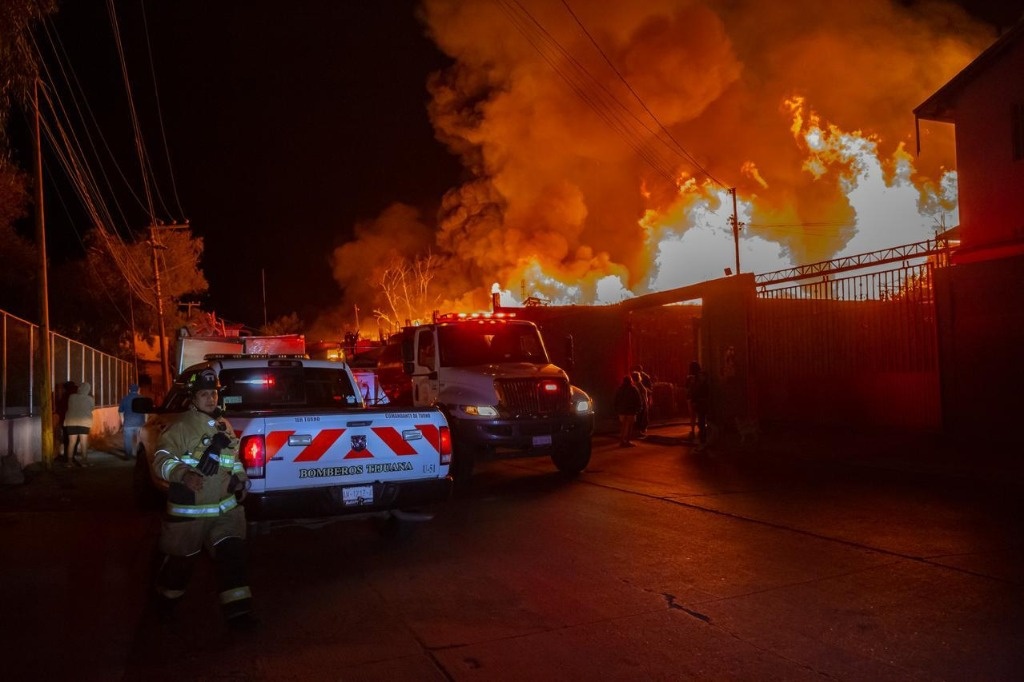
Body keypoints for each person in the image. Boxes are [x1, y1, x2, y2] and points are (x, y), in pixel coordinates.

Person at [151, 367, 256, 629]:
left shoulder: (224, 426)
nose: (211, 399)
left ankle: (239, 616)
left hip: (225, 512)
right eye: (204, 394)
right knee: (180, 568)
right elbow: (160, 459)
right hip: (191, 515)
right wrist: (182, 474)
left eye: (214, 394)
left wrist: (240, 480)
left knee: (232, 558)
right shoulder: (181, 427)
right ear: (193, 398)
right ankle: (162, 607)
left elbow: (234, 461)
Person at [64, 382, 94, 467]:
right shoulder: (90, 399)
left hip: (71, 422)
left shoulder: (71, 397)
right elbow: (92, 408)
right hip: (84, 422)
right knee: (83, 442)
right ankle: (84, 461)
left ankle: (69, 462)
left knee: (72, 442)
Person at [613, 374, 643, 447]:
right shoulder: (633, 389)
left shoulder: (619, 389)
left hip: (622, 411)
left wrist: (616, 409)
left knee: (623, 427)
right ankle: (627, 441)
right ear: (631, 381)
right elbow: (638, 399)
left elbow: (615, 400)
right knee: (629, 427)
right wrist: (639, 408)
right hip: (631, 411)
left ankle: (621, 441)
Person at [685, 362, 710, 448]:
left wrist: (694, 399)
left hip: (698, 401)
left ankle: (703, 440)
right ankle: (704, 438)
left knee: (700, 419)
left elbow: (695, 390)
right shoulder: (702, 377)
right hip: (703, 401)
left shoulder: (696, 378)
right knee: (702, 419)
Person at [118, 383, 146, 459]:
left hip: (128, 423)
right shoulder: (142, 399)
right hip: (140, 423)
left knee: (127, 440)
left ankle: (128, 455)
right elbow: (146, 412)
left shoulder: (124, 399)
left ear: (129, 390)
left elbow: (120, 412)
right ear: (138, 390)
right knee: (139, 439)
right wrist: (145, 422)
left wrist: (122, 421)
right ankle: (138, 455)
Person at [53, 380, 76, 464]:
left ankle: (68, 456)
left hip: (65, 421)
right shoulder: (74, 396)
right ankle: (71, 457)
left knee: (67, 439)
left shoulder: (64, 396)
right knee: (73, 440)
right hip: (73, 421)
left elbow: (60, 409)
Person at [631, 365, 653, 436]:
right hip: (641, 401)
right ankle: (639, 430)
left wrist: (648, 398)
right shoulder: (637, 383)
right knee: (641, 415)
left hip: (642, 400)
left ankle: (641, 429)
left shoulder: (645, 378)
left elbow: (649, 389)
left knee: (643, 415)